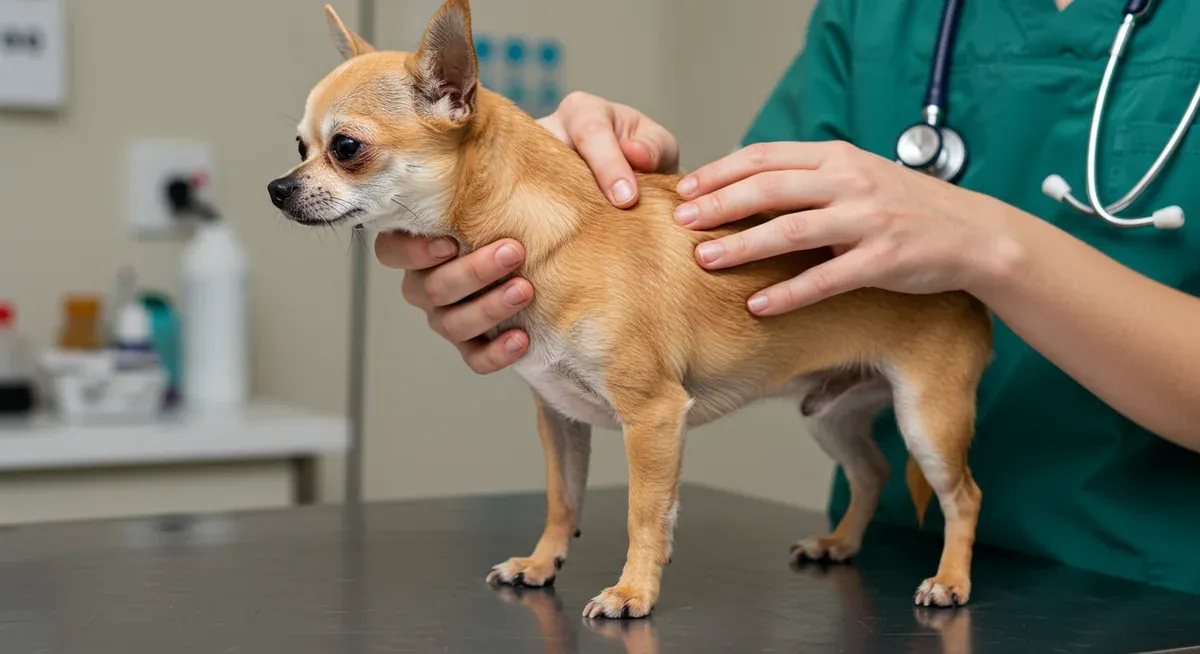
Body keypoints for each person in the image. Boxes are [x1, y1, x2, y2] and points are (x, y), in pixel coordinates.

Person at [376, 0, 1200, 595]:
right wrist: (633, 190)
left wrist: (989, 246)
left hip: (1154, 584)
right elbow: (746, 244)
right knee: (839, 428)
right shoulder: (874, 13)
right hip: (879, 586)